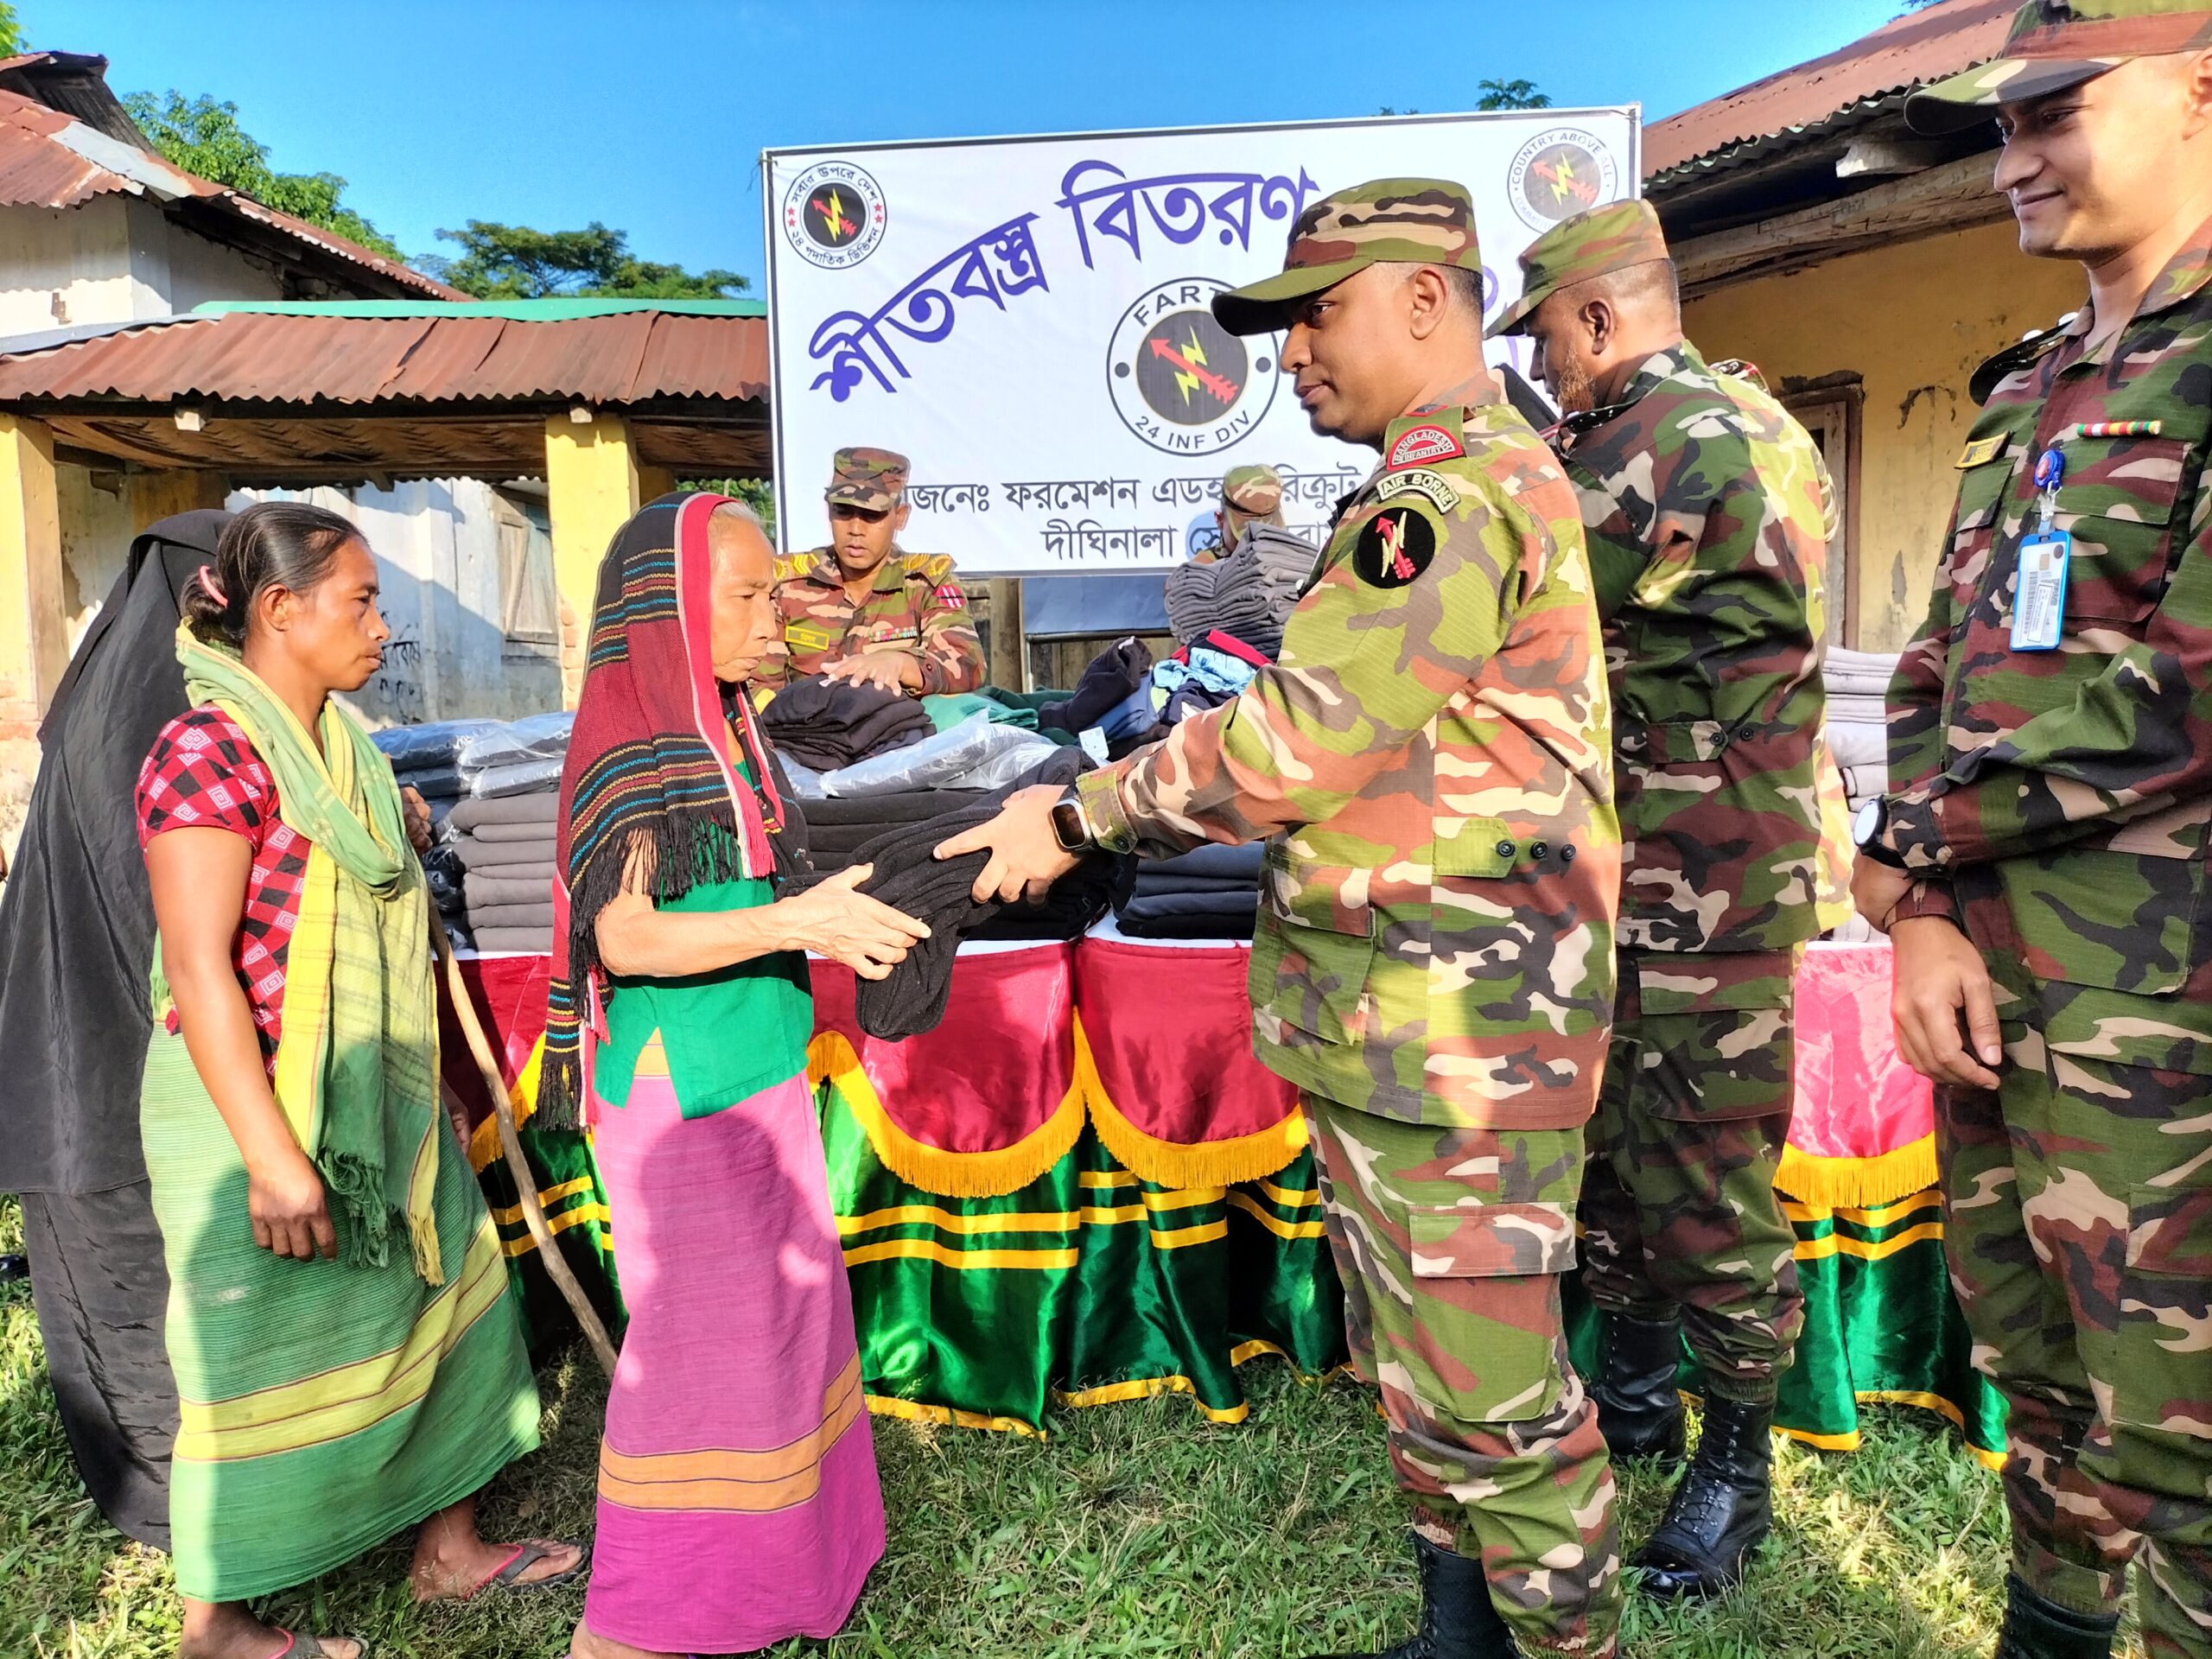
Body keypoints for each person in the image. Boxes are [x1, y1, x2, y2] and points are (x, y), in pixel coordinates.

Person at [938, 178, 1623, 1659]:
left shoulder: (1449, 496)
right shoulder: (1429, 486)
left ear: (1426, 301)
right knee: (1423, 1372)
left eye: (1318, 314)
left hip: (1461, 1035)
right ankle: (1461, 1639)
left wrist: (1078, 814)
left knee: (1498, 1407)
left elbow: (1296, 744)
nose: (1292, 353)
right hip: (1405, 1017)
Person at [1853, 8, 2212, 1656]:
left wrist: (1915, 840)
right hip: (1999, 986)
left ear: (2200, 88)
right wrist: (1923, 907)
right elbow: (1938, 661)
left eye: (2055, 113)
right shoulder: (2028, 390)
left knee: (2190, 1432)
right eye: (2001, 124)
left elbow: (2183, 684)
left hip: (2172, 1020)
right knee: (2038, 1370)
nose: (2012, 160)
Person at [137, 501, 580, 1659]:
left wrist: (417, 1084)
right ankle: (216, 1628)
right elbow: (200, 968)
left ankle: (449, 1550)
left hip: (375, 1100)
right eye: (364, 602)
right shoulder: (206, 754)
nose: (384, 627)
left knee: (451, 1297)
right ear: (282, 610)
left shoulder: (347, 754)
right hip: (251, 1108)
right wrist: (276, 1162)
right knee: (250, 1363)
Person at [1492, 197, 1846, 1597]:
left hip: (1708, 881)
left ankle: (1735, 1462)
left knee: (1705, 1173)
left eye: (1549, 341)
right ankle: (1634, 1402)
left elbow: (1510, 588)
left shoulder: (1682, 436)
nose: (1546, 369)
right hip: (1639, 868)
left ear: (1598, 316)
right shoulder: (1682, 424)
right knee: (1615, 1156)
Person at [540, 491, 927, 1659]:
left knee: (780, 1333)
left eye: (775, 594)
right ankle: (635, 1625)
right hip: (687, 1094)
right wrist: (800, 924)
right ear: (666, 610)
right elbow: (627, 940)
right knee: (700, 1362)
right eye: (750, 597)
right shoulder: (634, 744)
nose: (776, 619)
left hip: (750, 1065)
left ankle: (779, 1579)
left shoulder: (726, 726)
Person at [0, 510, 229, 1550]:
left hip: (84, 1046)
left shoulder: (121, 696)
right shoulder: (159, 713)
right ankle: (180, 1520)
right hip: (100, 1054)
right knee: (132, 1282)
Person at [750, 447, 986, 696]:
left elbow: (967, 664)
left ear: (900, 516)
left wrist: (900, 663)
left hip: (902, 721)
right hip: (803, 719)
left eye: (871, 515)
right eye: (843, 511)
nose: (855, 529)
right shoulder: (789, 586)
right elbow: (757, 684)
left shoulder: (925, 585)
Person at [1193, 462, 1287, 562]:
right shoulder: (1204, 567)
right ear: (1219, 520)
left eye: (1268, 535)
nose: (1256, 543)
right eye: (1246, 536)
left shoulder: (1293, 559)